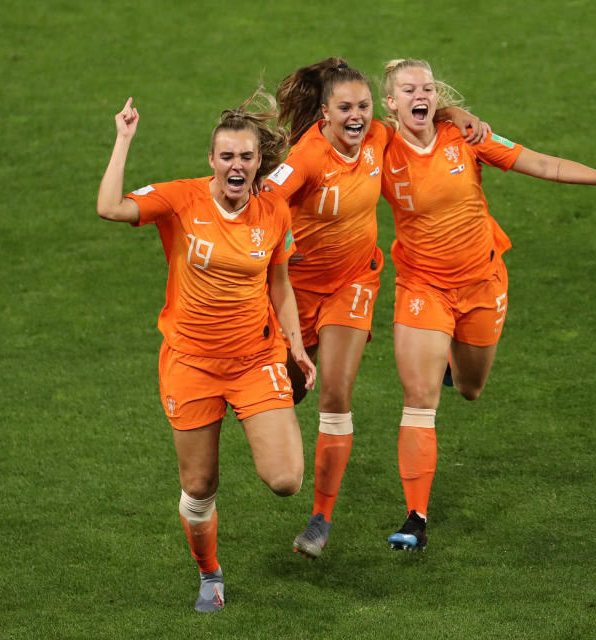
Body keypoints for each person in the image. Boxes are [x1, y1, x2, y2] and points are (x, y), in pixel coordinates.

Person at [379, 58, 596, 552]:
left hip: (482, 281)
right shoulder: (380, 147)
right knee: (419, 401)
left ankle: (450, 365)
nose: (422, 95)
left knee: (471, 388)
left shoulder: (468, 137)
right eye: (409, 89)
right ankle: (415, 518)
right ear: (391, 103)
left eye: (430, 88)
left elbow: (538, 162)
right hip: (422, 288)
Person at [95, 89, 317, 612]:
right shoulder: (181, 200)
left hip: (255, 359)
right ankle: (209, 573)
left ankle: (258, 416)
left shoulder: (273, 209)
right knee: (199, 485)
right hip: (191, 364)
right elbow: (108, 207)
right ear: (211, 161)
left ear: (258, 161)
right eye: (226, 157)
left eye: (245, 157)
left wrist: (297, 346)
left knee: (286, 480)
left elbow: (280, 284)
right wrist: (123, 139)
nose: (235, 166)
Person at [267, 57, 488, 559]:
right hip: (297, 290)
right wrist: (276, 242)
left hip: (353, 282)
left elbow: (423, 114)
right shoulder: (306, 156)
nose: (357, 116)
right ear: (323, 113)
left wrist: (456, 112)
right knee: (292, 391)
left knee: (334, 393)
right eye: (345, 107)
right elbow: (267, 199)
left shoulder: (379, 138)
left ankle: (320, 518)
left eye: (364, 106)